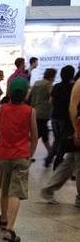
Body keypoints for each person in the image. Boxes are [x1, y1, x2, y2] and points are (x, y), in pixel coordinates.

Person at [0, 77, 38, 242]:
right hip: (21, 155)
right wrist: (29, 154)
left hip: (3, 155)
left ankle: (3, 219)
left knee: (4, 188)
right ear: (25, 93)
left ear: (9, 92)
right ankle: (9, 230)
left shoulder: (2, 108)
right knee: (15, 192)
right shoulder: (30, 111)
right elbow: (35, 136)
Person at [41, 77, 80, 207]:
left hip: (70, 126)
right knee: (75, 161)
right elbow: (73, 108)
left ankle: (48, 189)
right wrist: (76, 130)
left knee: (69, 162)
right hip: (76, 128)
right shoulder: (78, 84)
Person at [48, 65, 75, 170]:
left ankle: (49, 159)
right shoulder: (73, 87)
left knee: (57, 140)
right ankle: (57, 162)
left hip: (54, 116)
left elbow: (51, 101)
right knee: (62, 142)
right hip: (65, 118)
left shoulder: (56, 86)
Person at [29, 68, 56, 166]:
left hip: (34, 110)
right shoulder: (49, 85)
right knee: (38, 134)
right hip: (44, 113)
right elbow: (52, 97)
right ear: (52, 76)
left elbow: (29, 96)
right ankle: (28, 154)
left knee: (43, 133)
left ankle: (50, 154)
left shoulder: (36, 83)